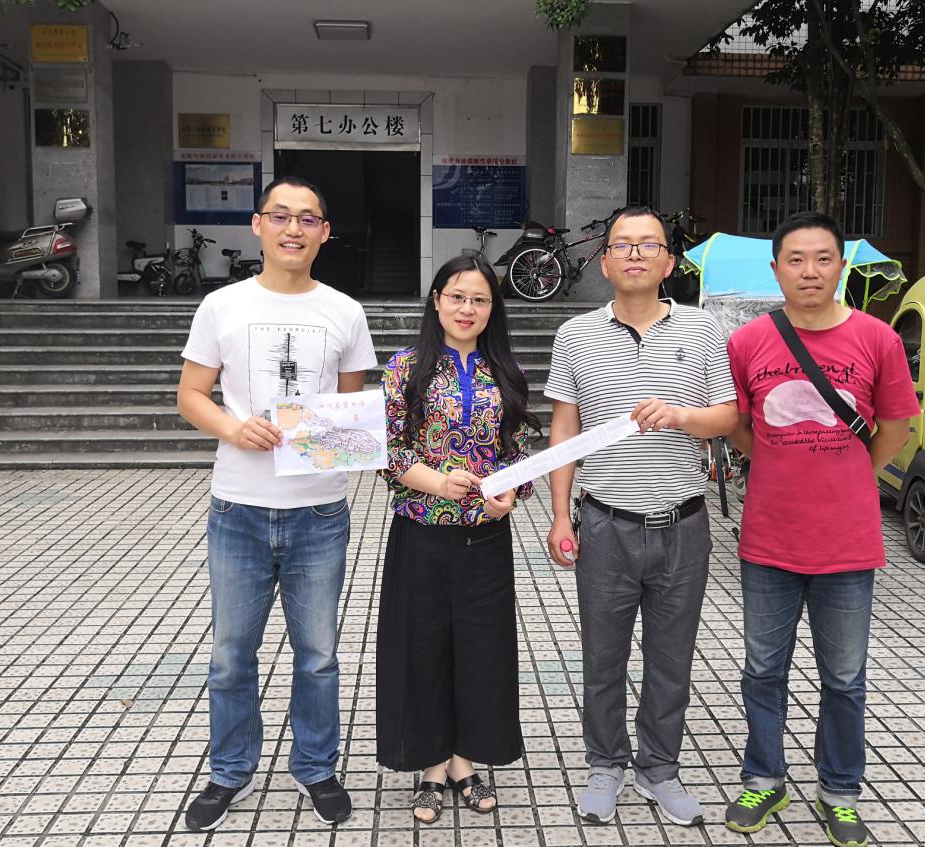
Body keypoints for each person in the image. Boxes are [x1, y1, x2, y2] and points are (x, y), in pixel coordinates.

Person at [176, 176, 377, 832]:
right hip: (237, 507)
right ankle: (229, 769)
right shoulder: (221, 305)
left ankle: (316, 767)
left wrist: (336, 436)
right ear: (258, 224)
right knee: (231, 654)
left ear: (325, 232)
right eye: (281, 215)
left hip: (318, 511)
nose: (294, 228)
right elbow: (191, 394)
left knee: (317, 653)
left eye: (308, 218)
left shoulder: (344, 311)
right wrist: (236, 429)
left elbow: (346, 413)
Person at [723, 211, 918, 847]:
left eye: (823, 258)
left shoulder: (877, 339)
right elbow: (739, 426)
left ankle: (839, 791)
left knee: (844, 678)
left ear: (841, 266)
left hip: (847, 543)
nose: (810, 271)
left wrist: (850, 473)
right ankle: (764, 778)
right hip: (769, 539)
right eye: (796, 259)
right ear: (776, 269)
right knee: (762, 670)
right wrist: (784, 466)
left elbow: (895, 428)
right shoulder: (748, 341)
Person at [543, 206, 738, 826]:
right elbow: (564, 429)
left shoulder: (703, 329)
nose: (634, 254)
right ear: (603, 262)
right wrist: (560, 516)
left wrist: (680, 415)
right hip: (605, 524)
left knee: (671, 659)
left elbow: (729, 416)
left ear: (668, 261)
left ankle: (660, 768)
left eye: (647, 245)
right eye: (622, 245)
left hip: (683, 524)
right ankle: (605, 764)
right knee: (602, 658)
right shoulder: (576, 334)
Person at [376, 254, 539, 824]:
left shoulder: (507, 371)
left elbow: (519, 453)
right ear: (437, 300)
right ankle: (430, 765)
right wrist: (438, 483)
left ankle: (464, 761)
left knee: (480, 651)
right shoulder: (404, 368)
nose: (467, 309)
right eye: (457, 296)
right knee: (423, 648)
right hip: (421, 533)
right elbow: (389, 452)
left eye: (480, 299)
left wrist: (511, 493)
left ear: (493, 308)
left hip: (485, 540)